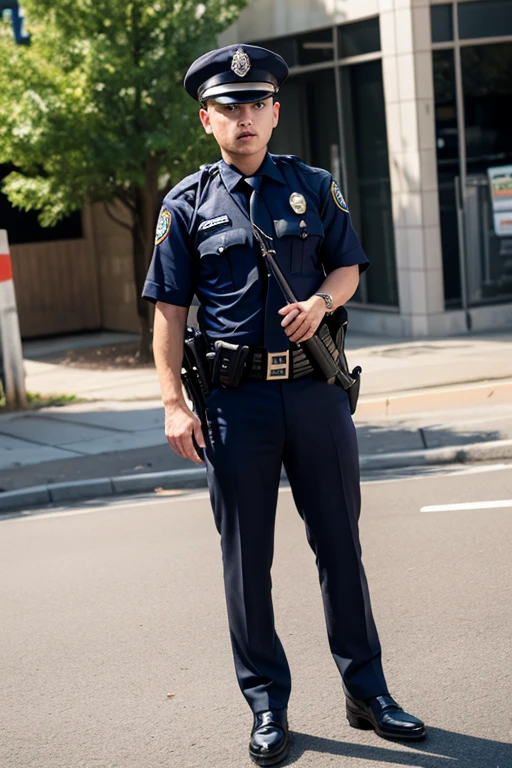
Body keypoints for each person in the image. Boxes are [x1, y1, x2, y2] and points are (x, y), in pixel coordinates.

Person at [143, 43, 426, 766]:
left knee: (341, 547)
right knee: (248, 563)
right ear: (207, 119)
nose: (244, 118)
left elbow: (350, 264)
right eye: (229, 107)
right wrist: (173, 402)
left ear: (275, 111)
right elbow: (169, 312)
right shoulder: (186, 205)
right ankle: (268, 704)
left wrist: (322, 300)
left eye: (256, 104)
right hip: (235, 409)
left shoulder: (312, 186)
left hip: (314, 395)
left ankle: (368, 691)